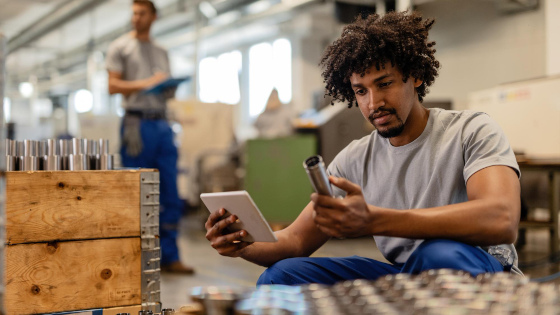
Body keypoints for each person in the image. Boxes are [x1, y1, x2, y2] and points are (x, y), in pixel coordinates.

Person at [205, 11, 522, 285]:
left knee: (438, 253)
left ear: (415, 76)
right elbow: (295, 240)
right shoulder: (354, 159)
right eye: (361, 91)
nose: (374, 103)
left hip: (478, 269)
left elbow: (500, 218)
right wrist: (241, 243)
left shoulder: (471, 129)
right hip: (405, 276)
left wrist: (374, 220)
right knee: (282, 276)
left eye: (385, 84)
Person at [106, 0, 194, 274]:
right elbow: (112, 85)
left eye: (142, 13)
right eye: (133, 13)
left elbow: (163, 89)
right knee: (136, 190)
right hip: (137, 125)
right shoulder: (120, 47)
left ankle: (170, 256)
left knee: (168, 189)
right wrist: (146, 83)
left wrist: (168, 87)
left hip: (162, 124)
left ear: (153, 16)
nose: (136, 17)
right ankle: (134, 259)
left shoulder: (161, 51)